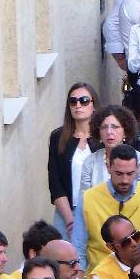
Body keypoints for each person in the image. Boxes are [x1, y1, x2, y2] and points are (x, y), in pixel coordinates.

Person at [73, 143, 140, 273]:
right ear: (108, 167)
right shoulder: (88, 199)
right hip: (100, 277)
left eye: (130, 173)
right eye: (119, 173)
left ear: (137, 169)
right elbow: (78, 247)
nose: (125, 180)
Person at [48, 83, 101, 240]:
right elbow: (55, 181)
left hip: (99, 211)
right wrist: (70, 221)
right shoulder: (58, 137)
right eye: (73, 101)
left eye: (84, 100)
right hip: (66, 212)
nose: (78, 105)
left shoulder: (104, 136)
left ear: (94, 105)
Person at [79, 105, 140, 197]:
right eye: (104, 127)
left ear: (125, 132)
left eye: (115, 127)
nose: (109, 132)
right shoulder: (90, 161)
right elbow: (84, 198)